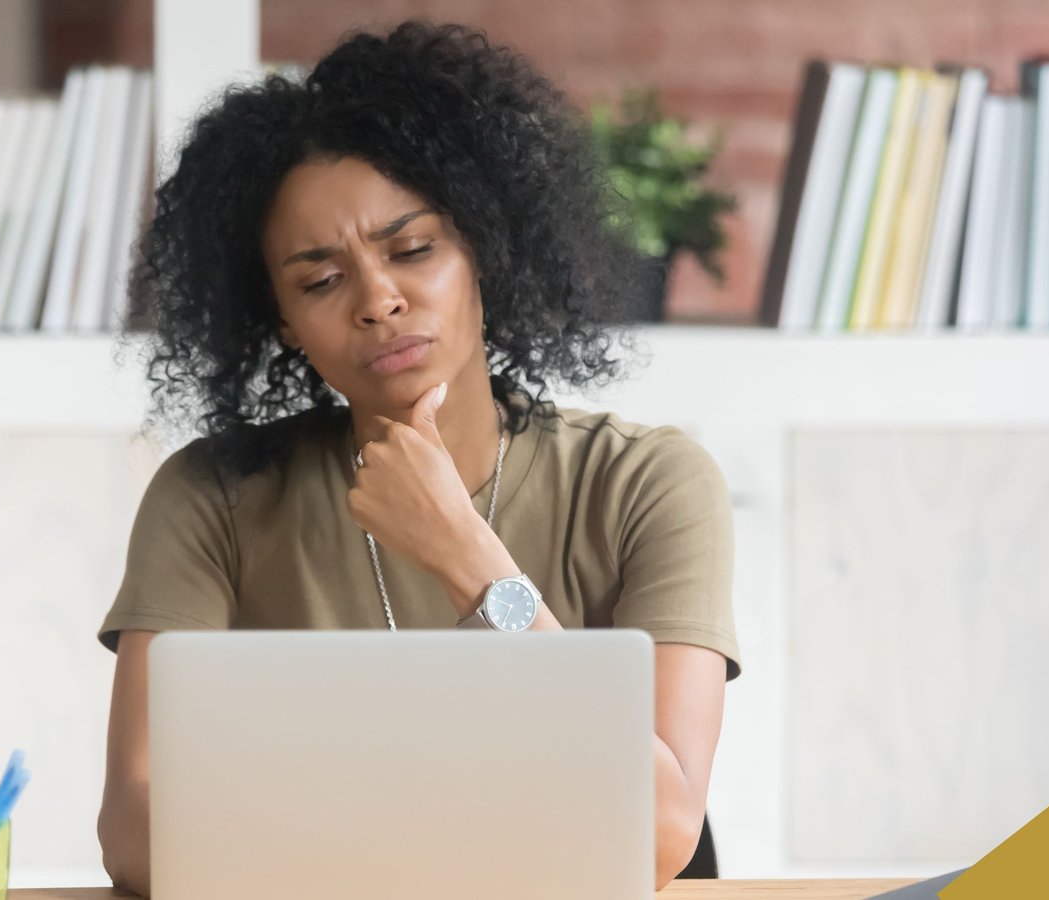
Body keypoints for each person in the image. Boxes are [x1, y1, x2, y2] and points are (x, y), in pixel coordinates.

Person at [95, 19, 742, 896]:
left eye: (412, 249)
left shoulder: (646, 484)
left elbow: (663, 832)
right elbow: (135, 832)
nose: (379, 301)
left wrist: (466, 555)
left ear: (483, 245)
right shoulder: (213, 499)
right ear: (281, 322)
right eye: (321, 281)